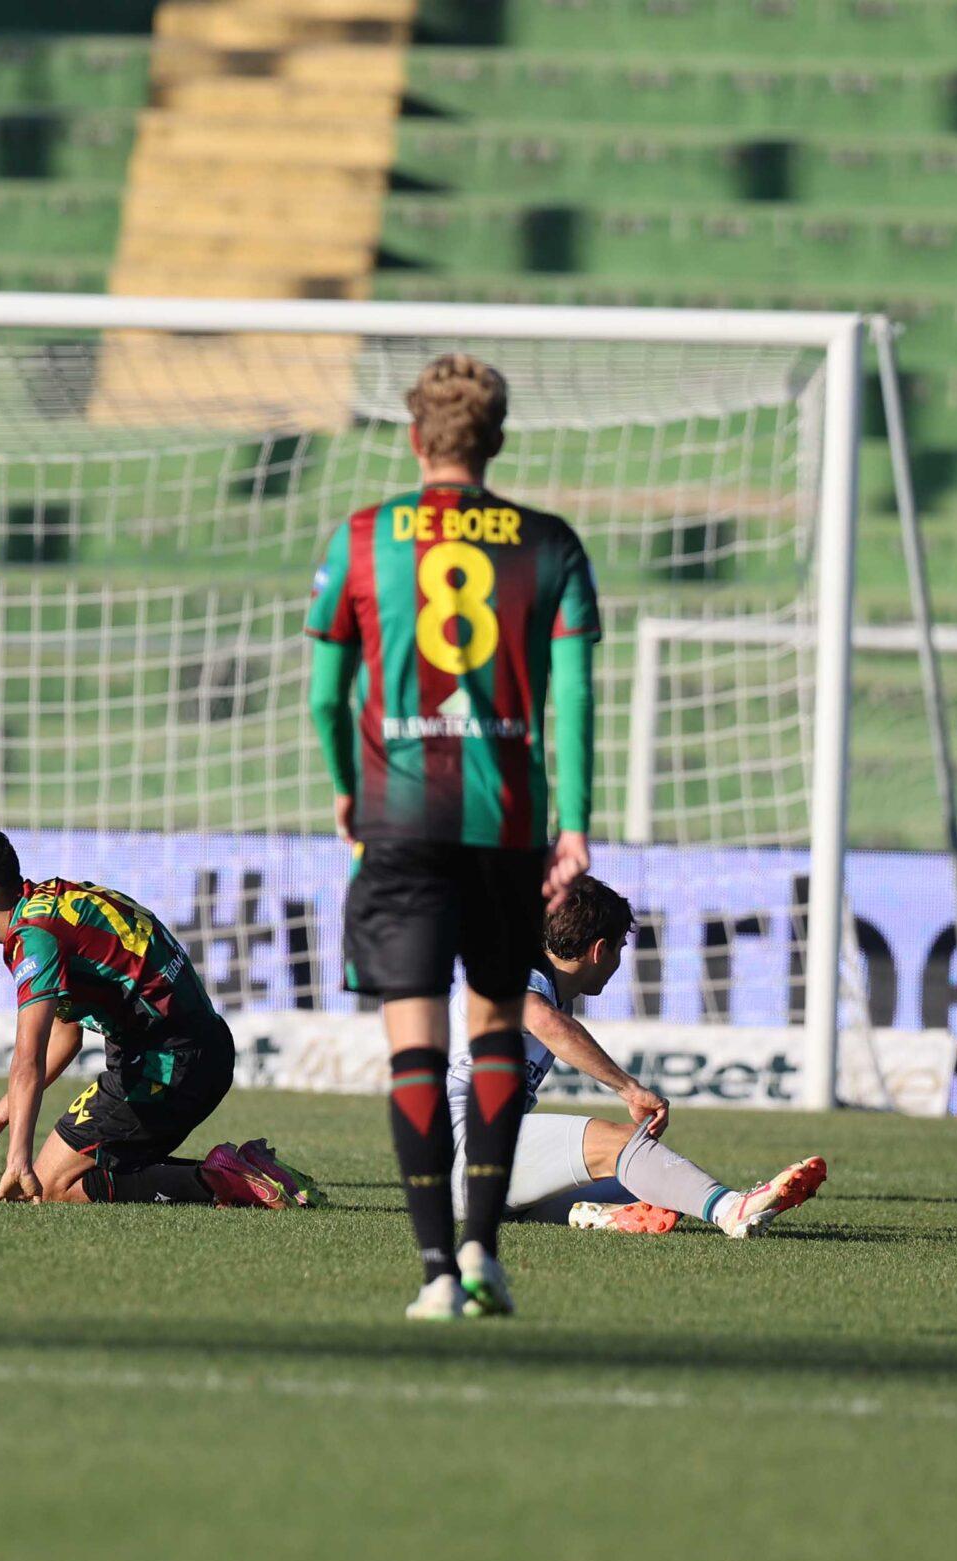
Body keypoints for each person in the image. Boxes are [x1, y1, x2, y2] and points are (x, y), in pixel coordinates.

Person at [304, 352, 600, 1320]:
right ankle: (484, 1253)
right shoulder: (550, 545)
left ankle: (435, 1269)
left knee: (416, 1046)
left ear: (413, 437)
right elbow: (573, 698)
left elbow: (325, 695)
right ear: (496, 440)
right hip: (505, 824)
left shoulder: (364, 537)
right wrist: (574, 823)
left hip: (398, 822)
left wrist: (347, 789)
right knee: (497, 1029)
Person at [0, 827, 321, 1209]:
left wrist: (17, 1160)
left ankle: (225, 1180)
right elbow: (65, 1035)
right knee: (85, 1171)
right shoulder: (51, 903)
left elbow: (28, 1058)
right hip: (189, 1052)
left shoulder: (34, 936)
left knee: (53, 1185)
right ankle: (240, 1171)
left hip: (168, 1065)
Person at [447, 876, 827, 1236]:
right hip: (463, 1152)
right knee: (622, 1144)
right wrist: (628, 1088)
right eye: (619, 950)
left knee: (658, 1183)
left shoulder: (546, 988)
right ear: (599, 950)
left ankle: (594, 1215)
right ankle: (732, 1209)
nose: (617, 963)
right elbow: (544, 1021)